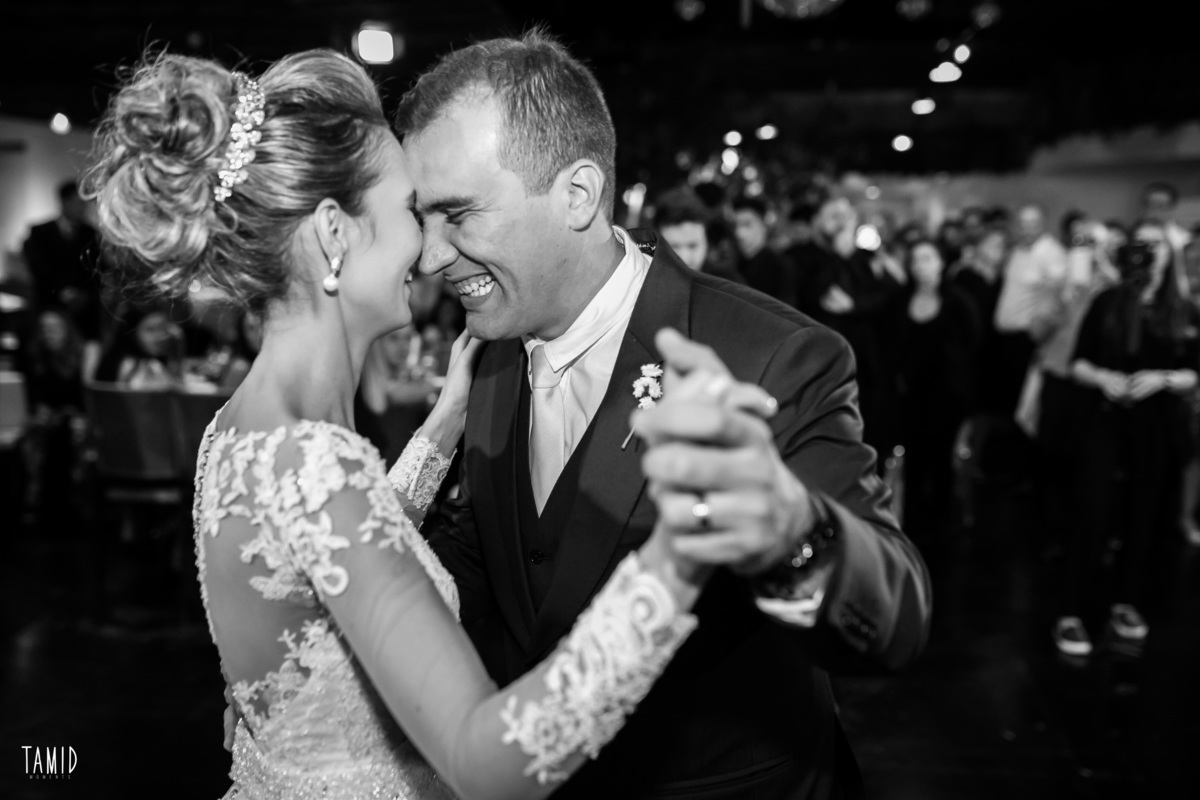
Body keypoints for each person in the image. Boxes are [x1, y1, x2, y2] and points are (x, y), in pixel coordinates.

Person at [83, 48, 708, 799]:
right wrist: (676, 560)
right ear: (335, 234)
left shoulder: (239, 427)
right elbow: (488, 766)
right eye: (412, 211)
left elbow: (334, 555)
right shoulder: (313, 464)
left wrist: (442, 427)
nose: (433, 251)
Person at [396, 30, 930, 799]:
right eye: (422, 219)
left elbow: (898, 624)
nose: (429, 257)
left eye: (459, 215)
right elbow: (495, 557)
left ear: (578, 195)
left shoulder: (770, 354)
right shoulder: (490, 348)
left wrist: (790, 529)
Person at [1057, 221, 1200, 656]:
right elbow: (1077, 363)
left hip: (1155, 425)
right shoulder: (1108, 301)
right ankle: (1073, 612)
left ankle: (1126, 603)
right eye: (1142, 243)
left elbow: (1194, 372)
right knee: (1094, 512)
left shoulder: (1181, 308)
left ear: (1170, 252)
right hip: (1104, 420)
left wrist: (1163, 378)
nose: (1149, 251)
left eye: (1158, 244)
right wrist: (1104, 378)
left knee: (1142, 516)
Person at [895, 239, 979, 549]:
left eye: (927, 258)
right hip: (911, 396)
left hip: (948, 396)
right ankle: (914, 526)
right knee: (914, 462)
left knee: (942, 461)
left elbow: (973, 345)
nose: (921, 266)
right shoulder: (900, 299)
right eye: (915, 260)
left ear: (941, 263)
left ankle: (944, 524)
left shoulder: (958, 302)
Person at [22, 180, 104, 341]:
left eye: (84, 204)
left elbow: (96, 268)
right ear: (65, 202)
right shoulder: (40, 232)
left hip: (84, 309)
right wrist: (62, 291)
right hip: (50, 303)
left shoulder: (90, 233)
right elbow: (38, 267)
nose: (82, 208)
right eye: (78, 203)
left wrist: (84, 294)